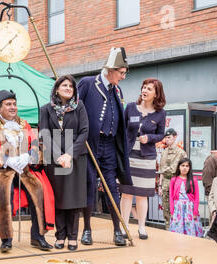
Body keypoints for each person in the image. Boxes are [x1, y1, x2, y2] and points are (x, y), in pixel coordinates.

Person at [0, 89, 55, 253]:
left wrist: (28, 156)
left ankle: (38, 236)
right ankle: (6, 239)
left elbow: (34, 144)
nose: (13, 107)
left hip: (24, 169)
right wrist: (6, 160)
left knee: (38, 190)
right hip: (2, 172)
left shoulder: (24, 124)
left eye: (14, 104)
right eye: (8, 104)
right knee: (5, 193)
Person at [77, 47, 132, 246]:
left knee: (112, 188)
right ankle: (87, 229)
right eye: (122, 73)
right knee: (89, 185)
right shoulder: (88, 83)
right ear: (111, 69)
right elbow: (75, 111)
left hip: (109, 145)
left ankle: (117, 230)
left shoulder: (117, 89)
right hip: (90, 144)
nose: (124, 77)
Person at [40, 75, 89, 250]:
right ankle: (60, 236)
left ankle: (73, 236)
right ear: (57, 88)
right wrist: (58, 156)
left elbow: (84, 131)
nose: (68, 88)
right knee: (59, 197)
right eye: (64, 85)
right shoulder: (46, 109)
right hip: (54, 159)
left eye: (71, 86)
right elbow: (44, 133)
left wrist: (69, 155)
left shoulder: (79, 107)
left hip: (75, 158)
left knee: (73, 198)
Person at [119, 78, 166, 240]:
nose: (145, 91)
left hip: (147, 158)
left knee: (142, 194)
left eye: (149, 89)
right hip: (129, 155)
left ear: (156, 94)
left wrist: (150, 137)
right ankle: (123, 227)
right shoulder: (131, 108)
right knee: (126, 193)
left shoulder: (160, 114)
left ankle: (141, 227)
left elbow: (161, 134)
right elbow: (122, 129)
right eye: (144, 87)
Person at [158, 128, 187, 230]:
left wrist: (168, 169)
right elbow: (162, 170)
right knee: (166, 208)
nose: (167, 140)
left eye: (169, 137)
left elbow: (179, 169)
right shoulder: (164, 152)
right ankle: (167, 229)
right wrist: (160, 186)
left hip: (176, 182)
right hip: (166, 182)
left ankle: (177, 229)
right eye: (165, 137)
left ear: (175, 137)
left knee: (176, 208)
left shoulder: (181, 153)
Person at [169, 158, 202, 237]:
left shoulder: (193, 180)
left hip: (189, 208)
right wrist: (172, 211)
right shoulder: (174, 180)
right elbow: (171, 197)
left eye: (187, 166)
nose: (184, 168)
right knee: (177, 229)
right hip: (177, 208)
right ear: (178, 167)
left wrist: (195, 212)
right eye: (182, 165)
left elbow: (197, 197)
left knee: (189, 228)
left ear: (189, 168)